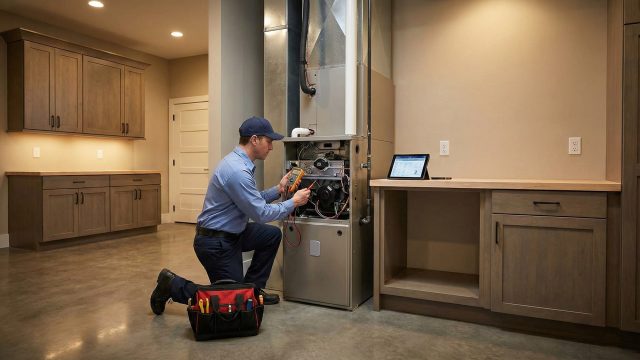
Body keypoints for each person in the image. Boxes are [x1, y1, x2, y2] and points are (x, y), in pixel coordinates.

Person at [150, 116, 310, 315]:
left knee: (271, 235)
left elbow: (251, 200)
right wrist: (293, 202)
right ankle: (172, 285)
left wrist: (278, 189)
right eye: (268, 142)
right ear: (254, 140)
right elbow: (260, 213)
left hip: (233, 234)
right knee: (233, 303)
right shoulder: (237, 171)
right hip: (215, 243)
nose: (271, 147)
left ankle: (253, 291)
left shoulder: (238, 163)